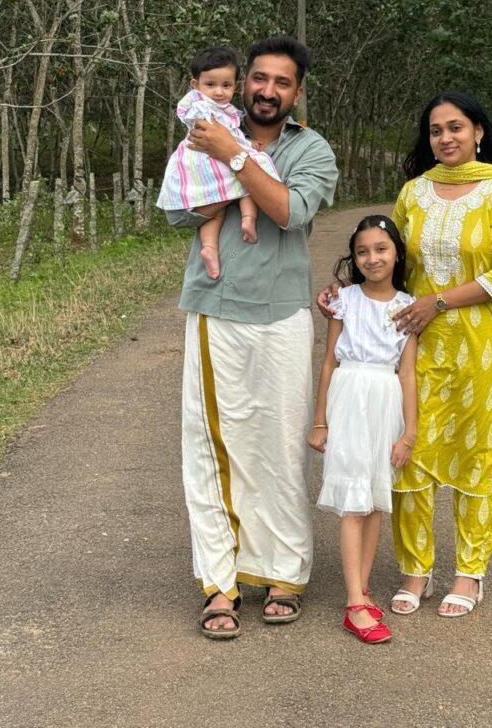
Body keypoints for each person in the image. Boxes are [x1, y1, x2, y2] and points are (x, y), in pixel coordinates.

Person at [318, 91, 492, 618]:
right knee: (410, 454)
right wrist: (343, 294)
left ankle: (469, 573)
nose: (446, 138)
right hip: (415, 343)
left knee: (476, 454)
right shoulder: (414, 193)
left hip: (483, 346)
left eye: (456, 127)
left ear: (478, 132)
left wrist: (437, 301)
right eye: (436, 130)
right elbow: (390, 264)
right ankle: (415, 569)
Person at [166, 35, 339, 640]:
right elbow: (179, 208)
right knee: (212, 444)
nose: (267, 91)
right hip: (215, 306)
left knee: (279, 445)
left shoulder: (311, 148)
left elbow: (291, 212)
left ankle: (284, 572)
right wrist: (223, 166)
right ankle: (220, 582)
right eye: (259, 79)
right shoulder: (208, 127)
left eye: (282, 82)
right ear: (244, 83)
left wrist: (234, 161)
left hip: (282, 311)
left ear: (297, 92)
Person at [307, 216, 417, 645]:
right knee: (354, 502)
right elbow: (329, 361)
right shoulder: (344, 300)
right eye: (362, 251)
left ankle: (363, 588)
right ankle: (354, 602)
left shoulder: (407, 307)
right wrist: (320, 420)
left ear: (397, 254)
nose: (372, 258)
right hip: (350, 396)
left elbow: (407, 373)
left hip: (386, 400)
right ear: (354, 258)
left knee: (373, 501)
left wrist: (408, 433)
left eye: (381, 249)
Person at [157, 47, 281, 280]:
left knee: (220, 204)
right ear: (195, 85)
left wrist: (245, 143)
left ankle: (209, 247)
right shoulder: (200, 105)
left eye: (226, 85)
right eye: (211, 85)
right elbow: (216, 134)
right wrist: (243, 146)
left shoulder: (228, 110)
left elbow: (229, 135)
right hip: (206, 159)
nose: (218, 92)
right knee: (248, 178)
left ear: (236, 86)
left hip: (218, 156)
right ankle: (248, 220)